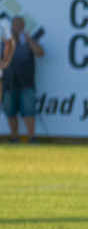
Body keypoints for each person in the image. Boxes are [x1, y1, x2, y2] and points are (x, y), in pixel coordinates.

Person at [2, 15, 44, 143]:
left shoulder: (28, 41)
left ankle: (31, 137)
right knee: (10, 111)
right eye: (16, 25)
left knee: (29, 112)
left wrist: (29, 40)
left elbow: (40, 53)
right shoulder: (5, 42)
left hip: (26, 82)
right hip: (9, 82)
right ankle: (14, 137)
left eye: (21, 25)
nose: (18, 27)